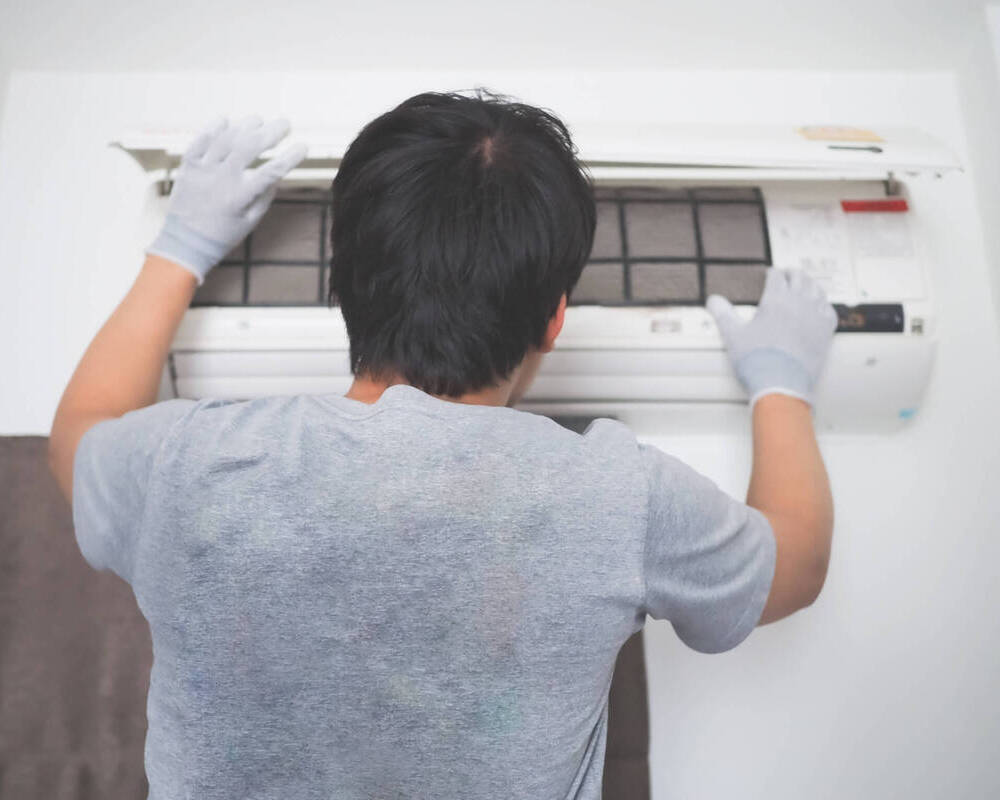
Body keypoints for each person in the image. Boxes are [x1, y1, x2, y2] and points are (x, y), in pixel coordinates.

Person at [48, 89, 837, 800]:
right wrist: (781, 386)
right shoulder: (617, 494)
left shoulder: (188, 461)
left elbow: (79, 435)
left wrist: (179, 248)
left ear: (342, 286)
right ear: (554, 320)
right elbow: (793, 566)